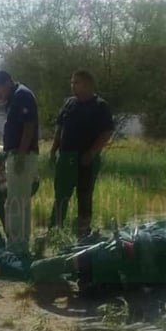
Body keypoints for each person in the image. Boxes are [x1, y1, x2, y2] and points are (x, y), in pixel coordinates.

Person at [48, 69, 114, 237]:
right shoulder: (69, 103)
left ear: (88, 84)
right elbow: (60, 128)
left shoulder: (100, 105)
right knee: (61, 196)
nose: (73, 86)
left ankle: (83, 234)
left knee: (84, 197)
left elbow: (106, 133)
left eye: (77, 82)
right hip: (65, 158)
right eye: (72, 82)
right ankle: (54, 233)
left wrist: (91, 153)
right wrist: (53, 150)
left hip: (86, 159)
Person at [0, 70, 39, 257]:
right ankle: (19, 245)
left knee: (16, 203)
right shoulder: (14, 97)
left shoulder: (22, 95)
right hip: (17, 154)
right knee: (17, 202)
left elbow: (29, 126)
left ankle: (17, 248)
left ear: (7, 82)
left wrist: (20, 156)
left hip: (22, 155)